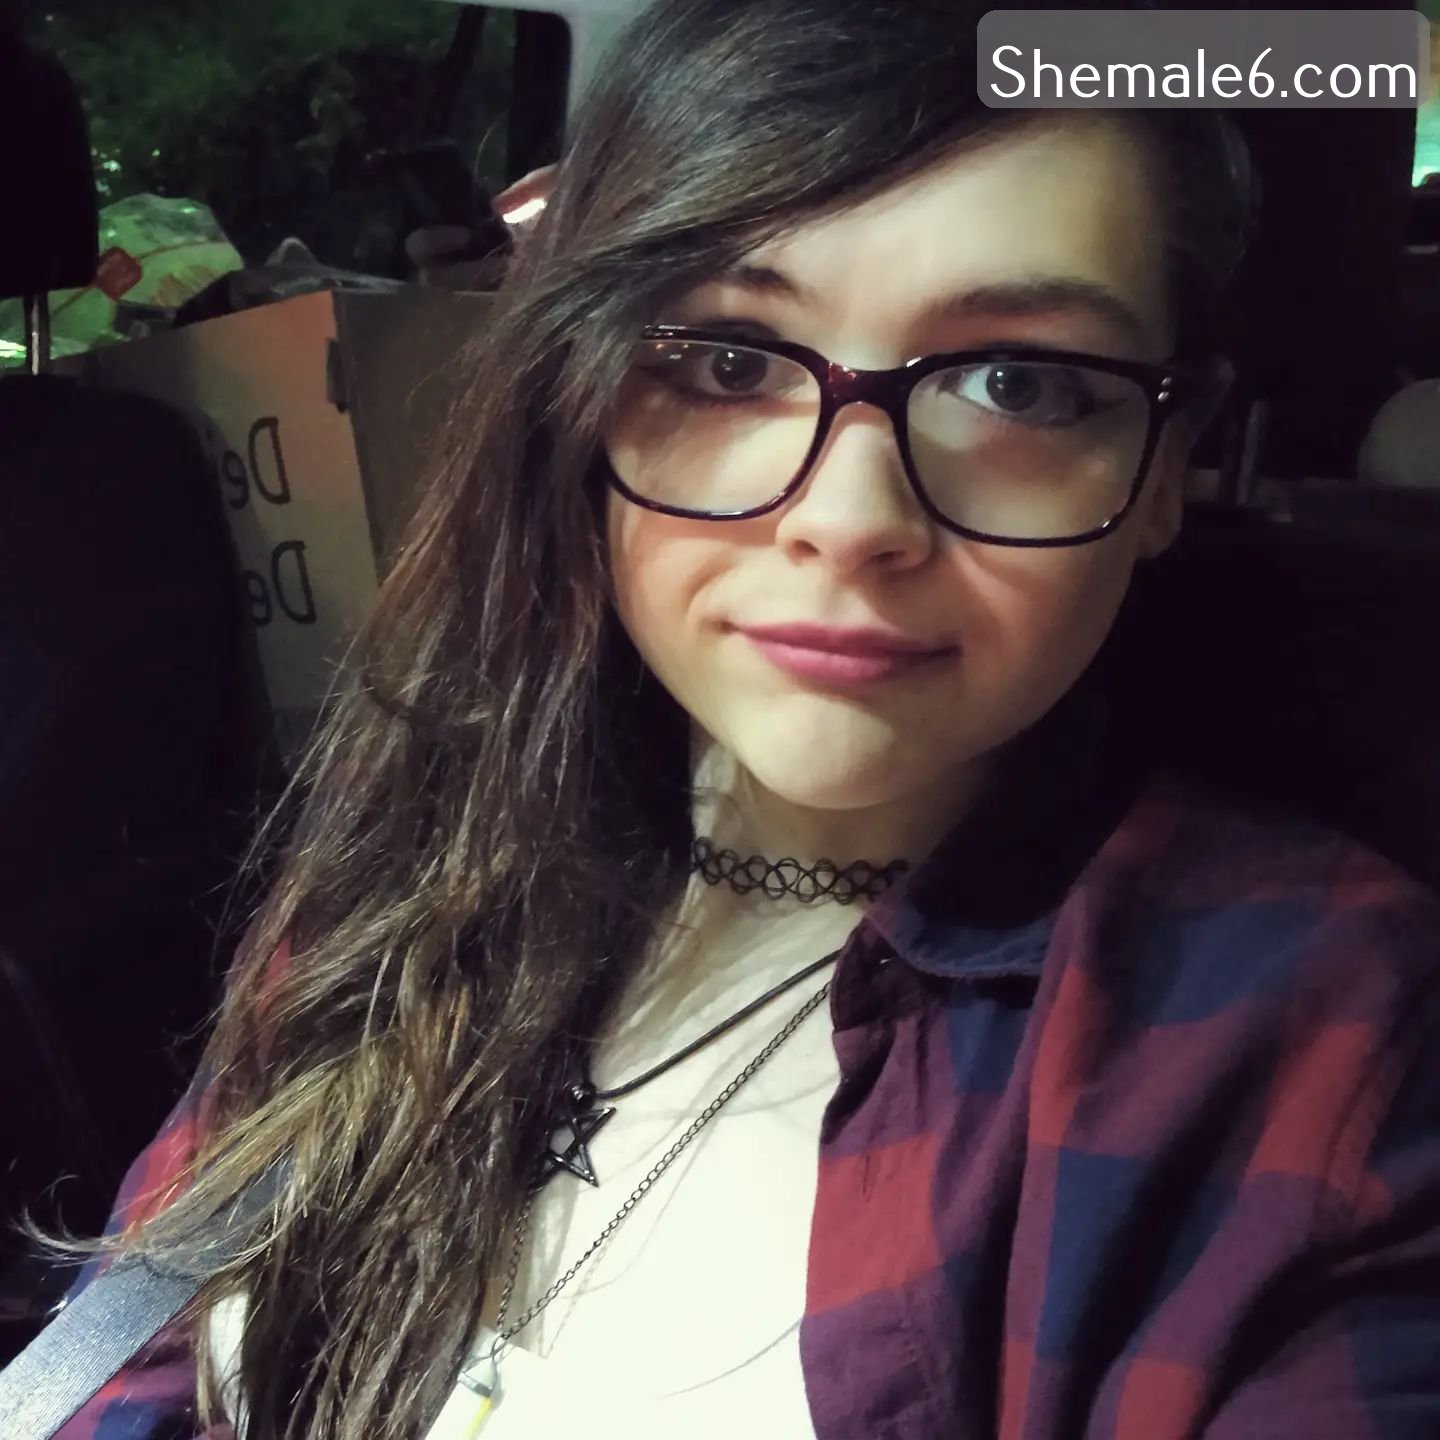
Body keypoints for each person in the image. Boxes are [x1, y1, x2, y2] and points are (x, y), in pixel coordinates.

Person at [42, 1, 1440, 1437]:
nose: (848, 517)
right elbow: (134, 1357)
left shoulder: (1319, 1052)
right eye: (728, 362)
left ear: (1162, 467)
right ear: (584, 397)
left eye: (1018, 383)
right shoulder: (429, 832)